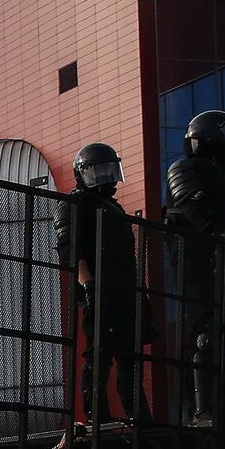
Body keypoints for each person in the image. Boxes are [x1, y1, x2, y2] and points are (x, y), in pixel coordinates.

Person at [164, 110, 225, 425]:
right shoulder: (184, 168)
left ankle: (218, 407)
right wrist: (219, 231)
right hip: (198, 265)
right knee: (204, 335)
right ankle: (202, 411)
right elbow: (191, 202)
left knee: (221, 335)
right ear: (211, 140)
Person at [53, 143, 154, 424]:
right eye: (99, 172)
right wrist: (90, 286)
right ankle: (98, 416)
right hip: (99, 290)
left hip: (125, 290)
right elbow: (71, 249)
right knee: (98, 356)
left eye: (110, 170)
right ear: (82, 174)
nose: (106, 178)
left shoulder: (114, 207)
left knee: (129, 359)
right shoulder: (74, 204)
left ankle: (139, 415)